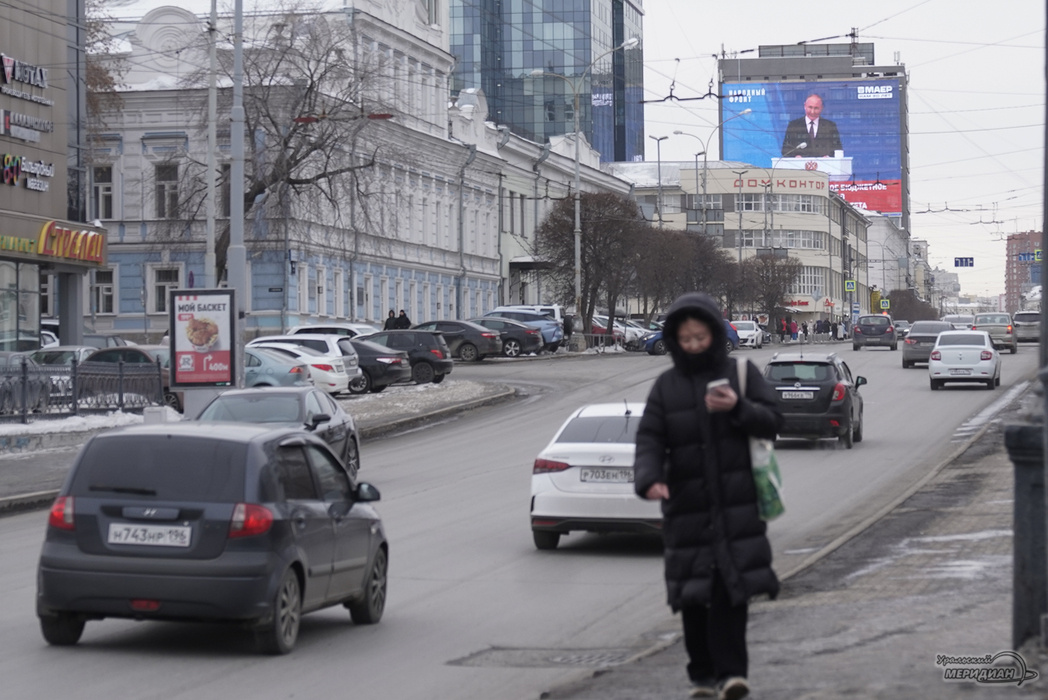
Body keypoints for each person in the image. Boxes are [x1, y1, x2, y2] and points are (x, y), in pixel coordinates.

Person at [633, 292, 783, 700]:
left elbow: (773, 421)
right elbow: (649, 438)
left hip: (737, 506)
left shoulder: (742, 373)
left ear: (715, 334)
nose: (695, 345)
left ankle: (733, 675)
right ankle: (701, 677)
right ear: (675, 340)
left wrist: (738, 407)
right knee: (693, 598)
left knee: (731, 593)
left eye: (701, 336)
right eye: (686, 339)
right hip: (687, 509)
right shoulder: (666, 386)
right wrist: (649, 479)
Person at [781, 93, 842, 158]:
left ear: (821, 108)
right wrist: (796, 156)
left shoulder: (830, 126)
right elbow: (785, 150)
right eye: (810, 107)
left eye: (816, 108)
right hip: (800, 166)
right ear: (805, 106)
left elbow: (838, 149)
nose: (812, 112)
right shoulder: (794, 125)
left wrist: (828, 157)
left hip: (823, 166)